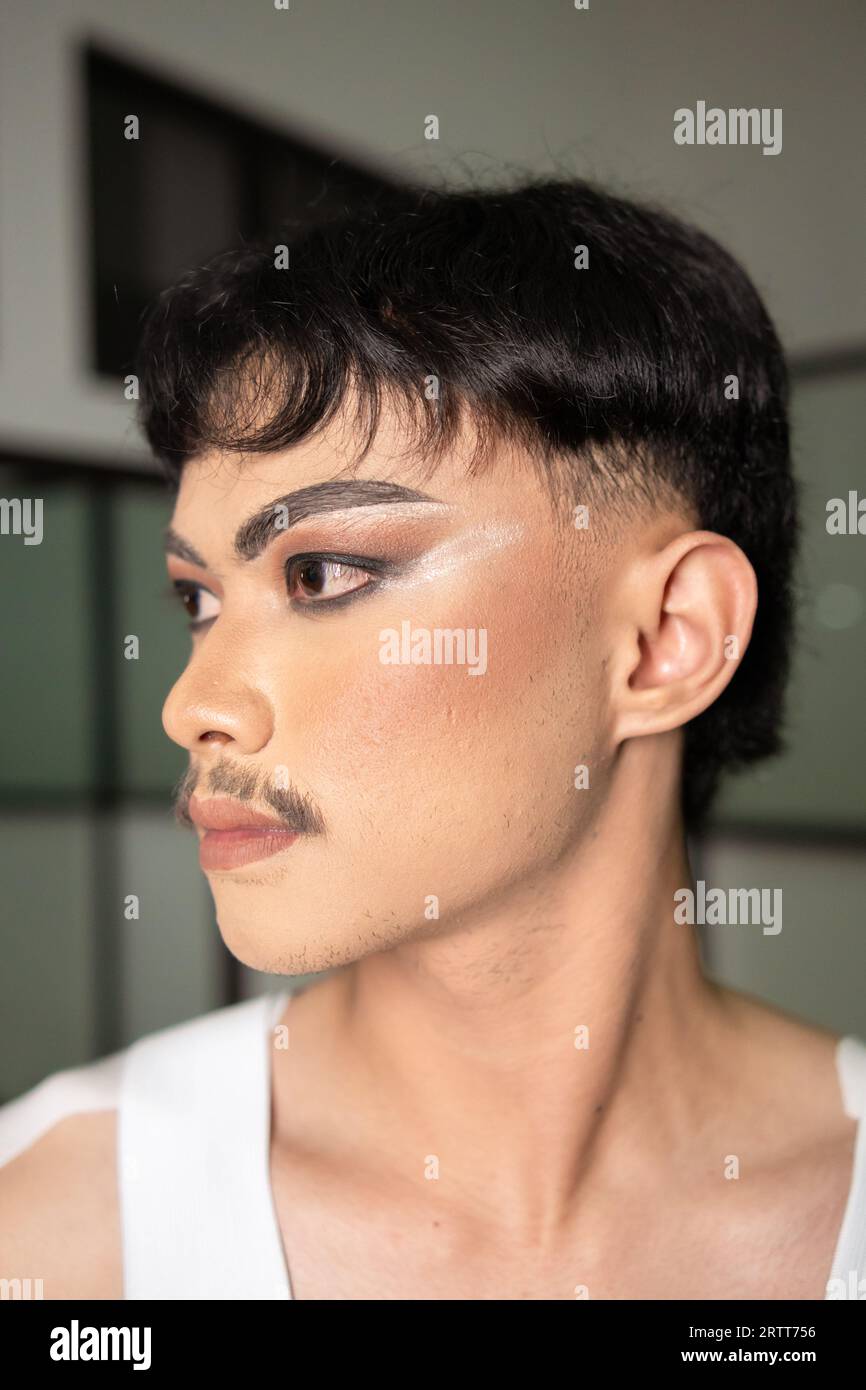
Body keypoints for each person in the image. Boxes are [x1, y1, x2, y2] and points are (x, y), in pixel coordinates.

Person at [1, 178, 864, 1301]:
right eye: (197, 599)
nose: (191, 705)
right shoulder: (60, 1228)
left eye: (320, 573)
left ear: (665, 639)